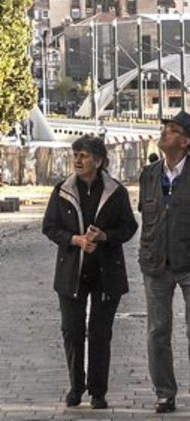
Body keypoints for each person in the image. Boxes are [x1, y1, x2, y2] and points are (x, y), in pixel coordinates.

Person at [138, 110, 190, 414]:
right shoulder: (149, 174)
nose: (164, 133)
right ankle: (164, 392)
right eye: (165, 128)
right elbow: (147, 213)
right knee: (157, 330)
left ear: (186, 142)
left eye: (172, 130)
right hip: (156, 263)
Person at [43, 135, 138, 409]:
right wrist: (76, 240)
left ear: (98, 161)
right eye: (75, 155)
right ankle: (76, 386)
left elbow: (129, 227)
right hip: (71, 271)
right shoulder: (62, 190)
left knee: (100, 333)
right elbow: (50, 227)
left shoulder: (115, 191)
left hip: (106, 272)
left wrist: (105, 236)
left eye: (83, 155)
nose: (78, 160)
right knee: (72, 331)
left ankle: (98, 391)